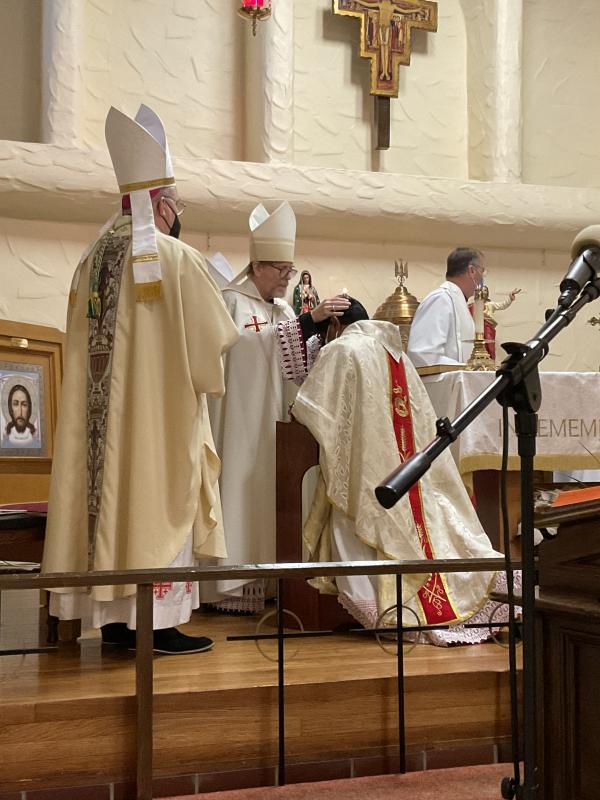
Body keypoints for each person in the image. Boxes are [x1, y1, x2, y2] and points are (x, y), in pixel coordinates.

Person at [41, 104, 239, 655]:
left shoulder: (90, 258)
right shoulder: (174, 257)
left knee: (107, 503)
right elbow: (215, 344)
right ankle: (155, 626)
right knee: (152, 496)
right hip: (156, 420)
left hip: (97, 429)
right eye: (176, 205)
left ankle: (111, 623)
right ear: (164, 205)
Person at [292, 300, 510, 645]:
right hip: (406, 468)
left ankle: (395, 608)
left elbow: (311, 409)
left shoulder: (342, 348)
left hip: (369, 468)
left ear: (335, 325)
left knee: (363, 520)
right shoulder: (397, 354)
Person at [205, 202, 349, 613]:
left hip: (276, 428)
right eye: (281, 270)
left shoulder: (283, 309)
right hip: (242, 424)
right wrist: (304, 324)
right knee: (243, 492)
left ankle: (270, 582)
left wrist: (319, 331)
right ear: (258, 266)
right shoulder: (232, 301)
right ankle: (230, 586)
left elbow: (293, 357)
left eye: (290, 269)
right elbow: (244, 349)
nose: (288, 278)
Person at [407, 247, 485, 368]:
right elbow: (423, 354)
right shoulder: (440, 299)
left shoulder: (458, 301)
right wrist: (466, 368)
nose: (482, 277)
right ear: (472, 271)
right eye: (482, 271)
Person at [469, 286, 521, 360]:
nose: (483, 292)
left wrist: (510, 298)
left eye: (485, 290)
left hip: (488, 328)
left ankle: (490, 361)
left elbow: (502, 305)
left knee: (489, 346)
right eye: (481, 290)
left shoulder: (491, 304)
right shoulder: (473, 306)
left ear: (488, 293)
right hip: (477, 331)